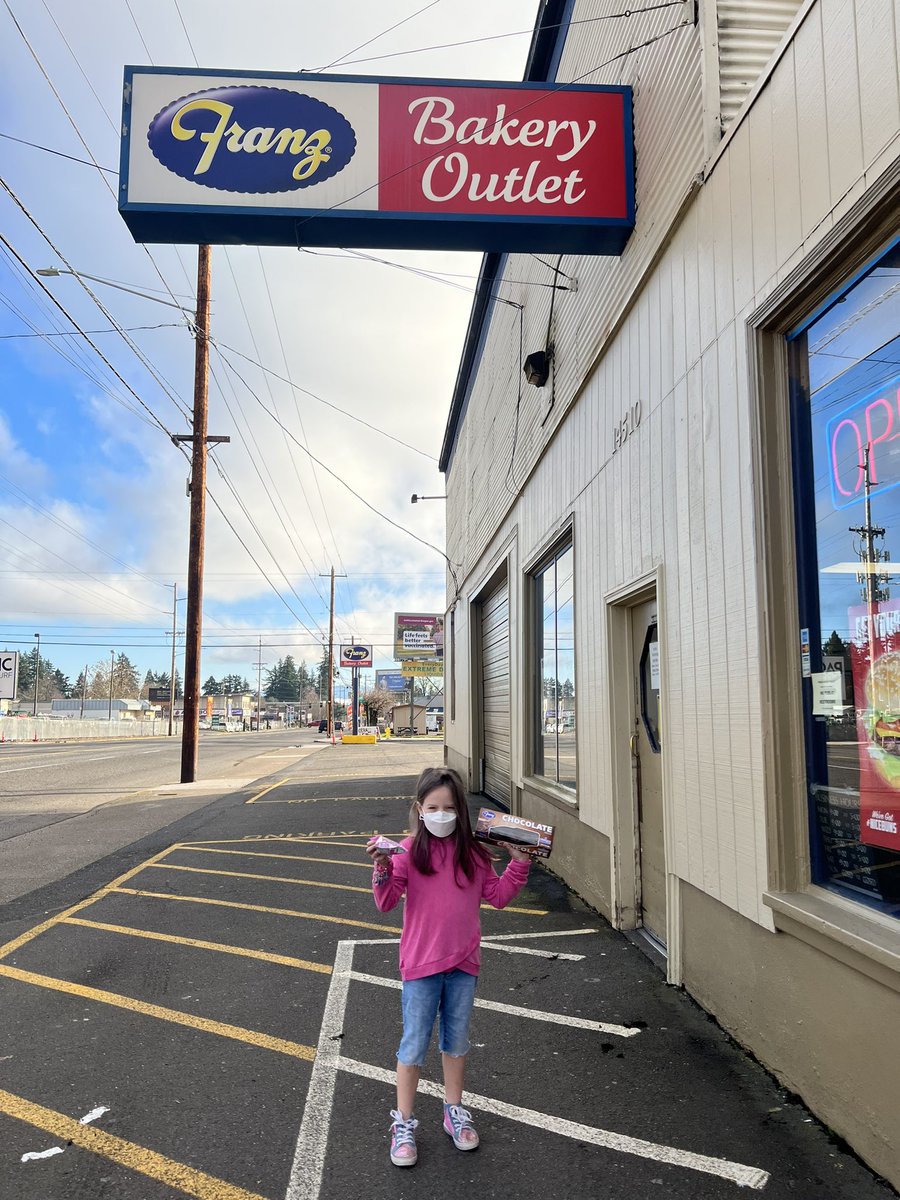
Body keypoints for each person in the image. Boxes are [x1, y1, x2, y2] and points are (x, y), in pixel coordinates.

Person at [366, 766, 531, 1167]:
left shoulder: (474, 854)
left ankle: (453, 1110)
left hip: (463, 964)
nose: (441, 814)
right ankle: (403, 1122)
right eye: (433, 807)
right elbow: (386, 902)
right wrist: (382, 867)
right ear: (419, 809)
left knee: (456, 1043)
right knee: (414, 1044)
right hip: (420, 965)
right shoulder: (405, 852)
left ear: (461, 810)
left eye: (450, 807)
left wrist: (520, 863)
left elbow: (497, 896)